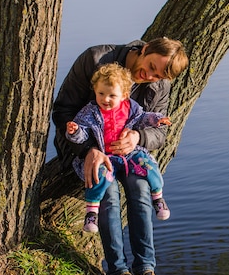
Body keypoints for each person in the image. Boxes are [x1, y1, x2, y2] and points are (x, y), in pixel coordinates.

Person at [52, 37, 189, 275]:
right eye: (150, 66)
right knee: (110, 195)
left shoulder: (159, 83)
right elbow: (63, 111)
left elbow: (158, 129)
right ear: (145, 48)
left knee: (140, 191)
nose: (149, 76)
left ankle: (145, 272)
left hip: (128, 154)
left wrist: (138, 137)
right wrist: (89, 149)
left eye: (157, 75)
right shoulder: (95, 60)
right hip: (87, 148)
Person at [65, 63, 173, 234]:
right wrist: (75, 131)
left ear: (124, 95)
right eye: (101, 93)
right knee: (98, 175)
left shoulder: (131, 107)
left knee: (148, 165)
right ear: (95, 90)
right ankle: (92, 212)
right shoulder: (90, 112)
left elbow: (143, 118)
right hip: (105, 155)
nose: (105, 99)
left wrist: (157, 120)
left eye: (111, 95)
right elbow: (82, 134)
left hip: (128, 154)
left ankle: (158, 198)